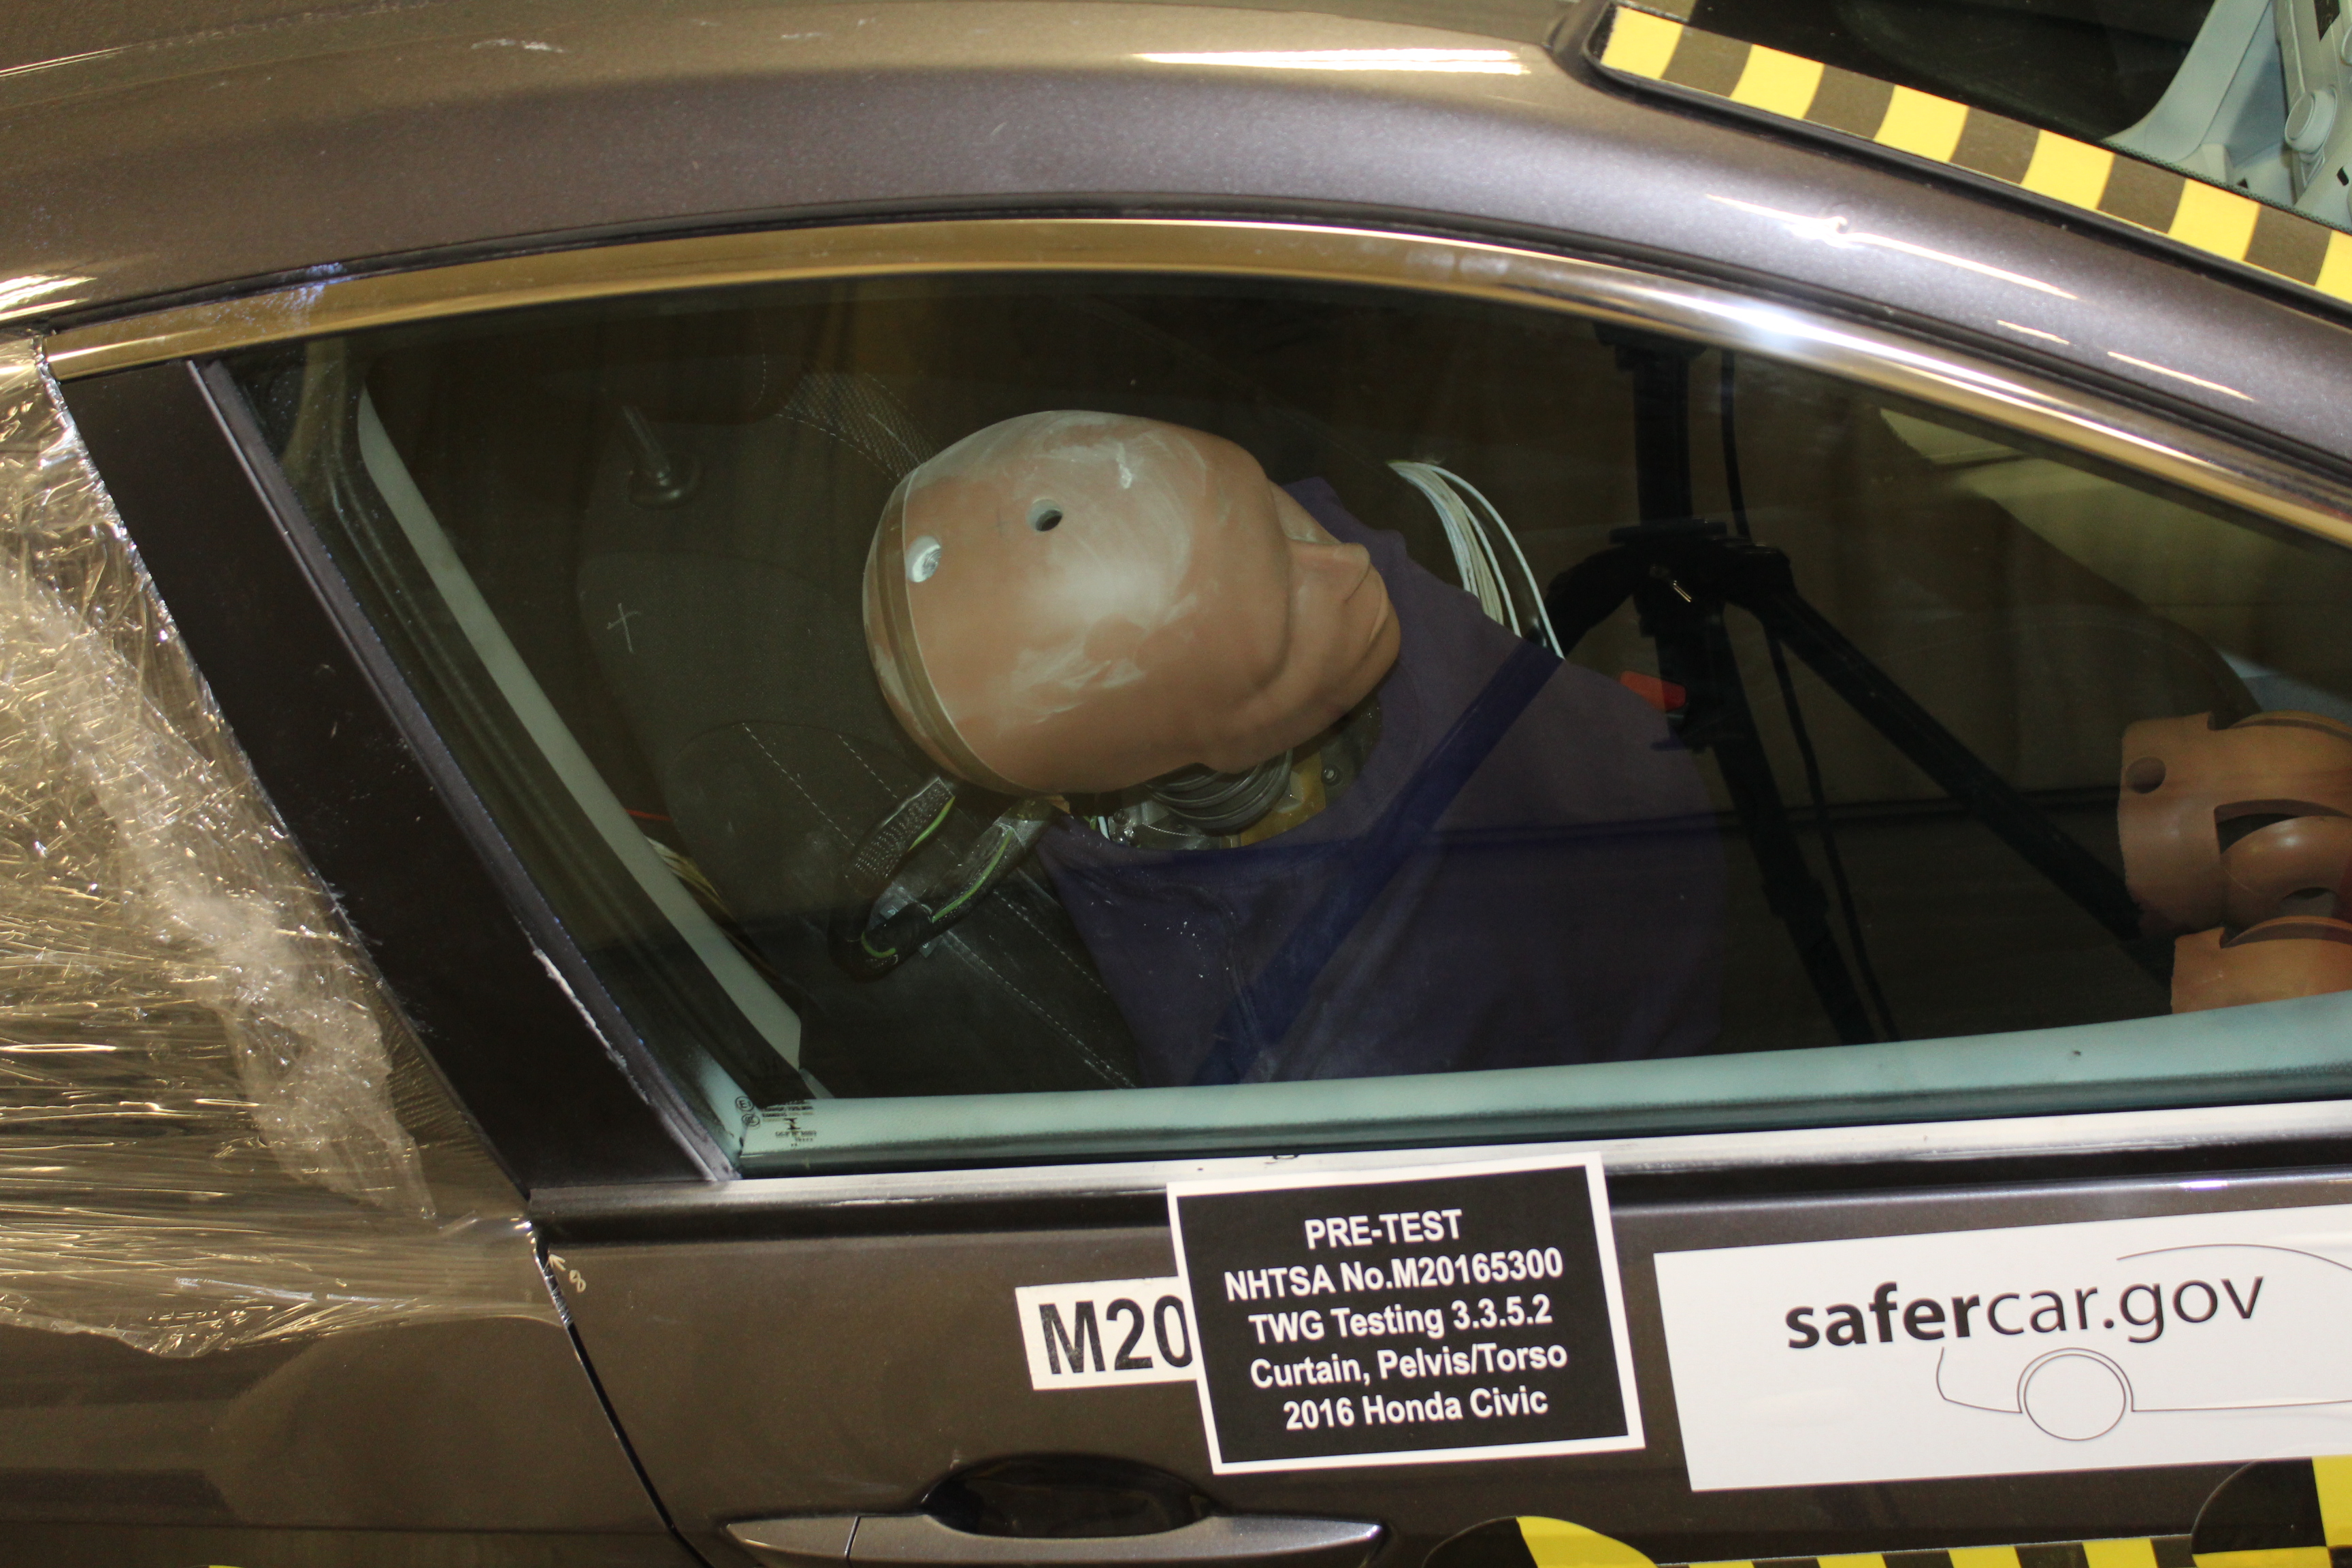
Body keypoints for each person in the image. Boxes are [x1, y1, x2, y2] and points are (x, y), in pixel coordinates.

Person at [862, 410, 1722, 1086]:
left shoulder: (1291, 557)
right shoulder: (1339, 1053)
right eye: (1277, 636)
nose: (1348, 564)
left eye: (1280, 520)